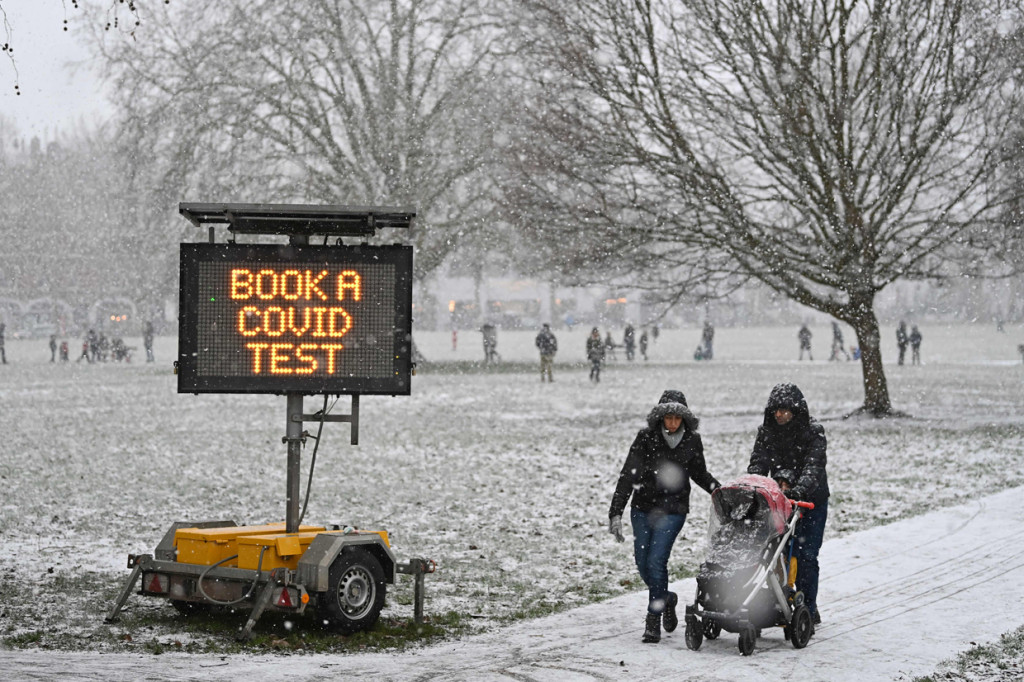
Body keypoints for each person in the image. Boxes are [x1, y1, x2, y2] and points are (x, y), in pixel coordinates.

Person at [608, 390, 721, 644]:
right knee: (642, 562)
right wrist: (616, 512)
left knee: (657, 561)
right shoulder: (645, 438)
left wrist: (721, 492)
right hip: (643, 508)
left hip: (673, 510)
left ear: (684, 419)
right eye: (667, 417)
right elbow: (628, 474)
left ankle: (653, 619)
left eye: (676, 418)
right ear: (660, 417)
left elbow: (699, 473)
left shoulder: (692, 441)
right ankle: (667, 597)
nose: (672, 423)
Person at [747, 383, 829, 631]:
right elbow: (758, 462)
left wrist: (799, 490)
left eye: (784, 410)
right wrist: (755, 484)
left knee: (806, 555)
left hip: (810, 501)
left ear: (796, 410)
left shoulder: (813, 433)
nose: (779, 415)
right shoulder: (767, 433)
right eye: (775, 411)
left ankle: (808, 609)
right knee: (776, 554)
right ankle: (780, 601)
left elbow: (813, 467)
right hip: (779, 499)